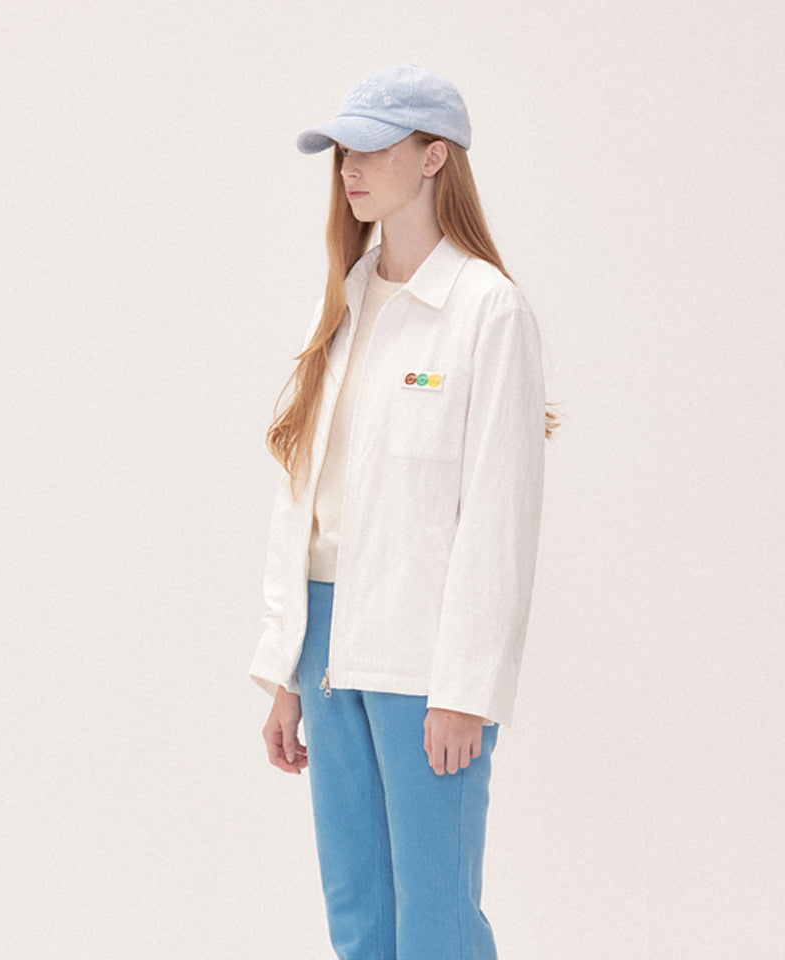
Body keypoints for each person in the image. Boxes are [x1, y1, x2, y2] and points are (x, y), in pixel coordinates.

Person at [250, 64, 555, 960]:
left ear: (434, 157)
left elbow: (498, 521)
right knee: (357, 911)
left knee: (436, 920)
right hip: (325, 642)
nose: (350, 166)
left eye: (375, 147)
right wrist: (283, 667)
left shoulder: (486, 310)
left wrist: (466, 691)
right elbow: (301, 498)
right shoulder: (342, 302)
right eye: (343, 149)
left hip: (425, 652)